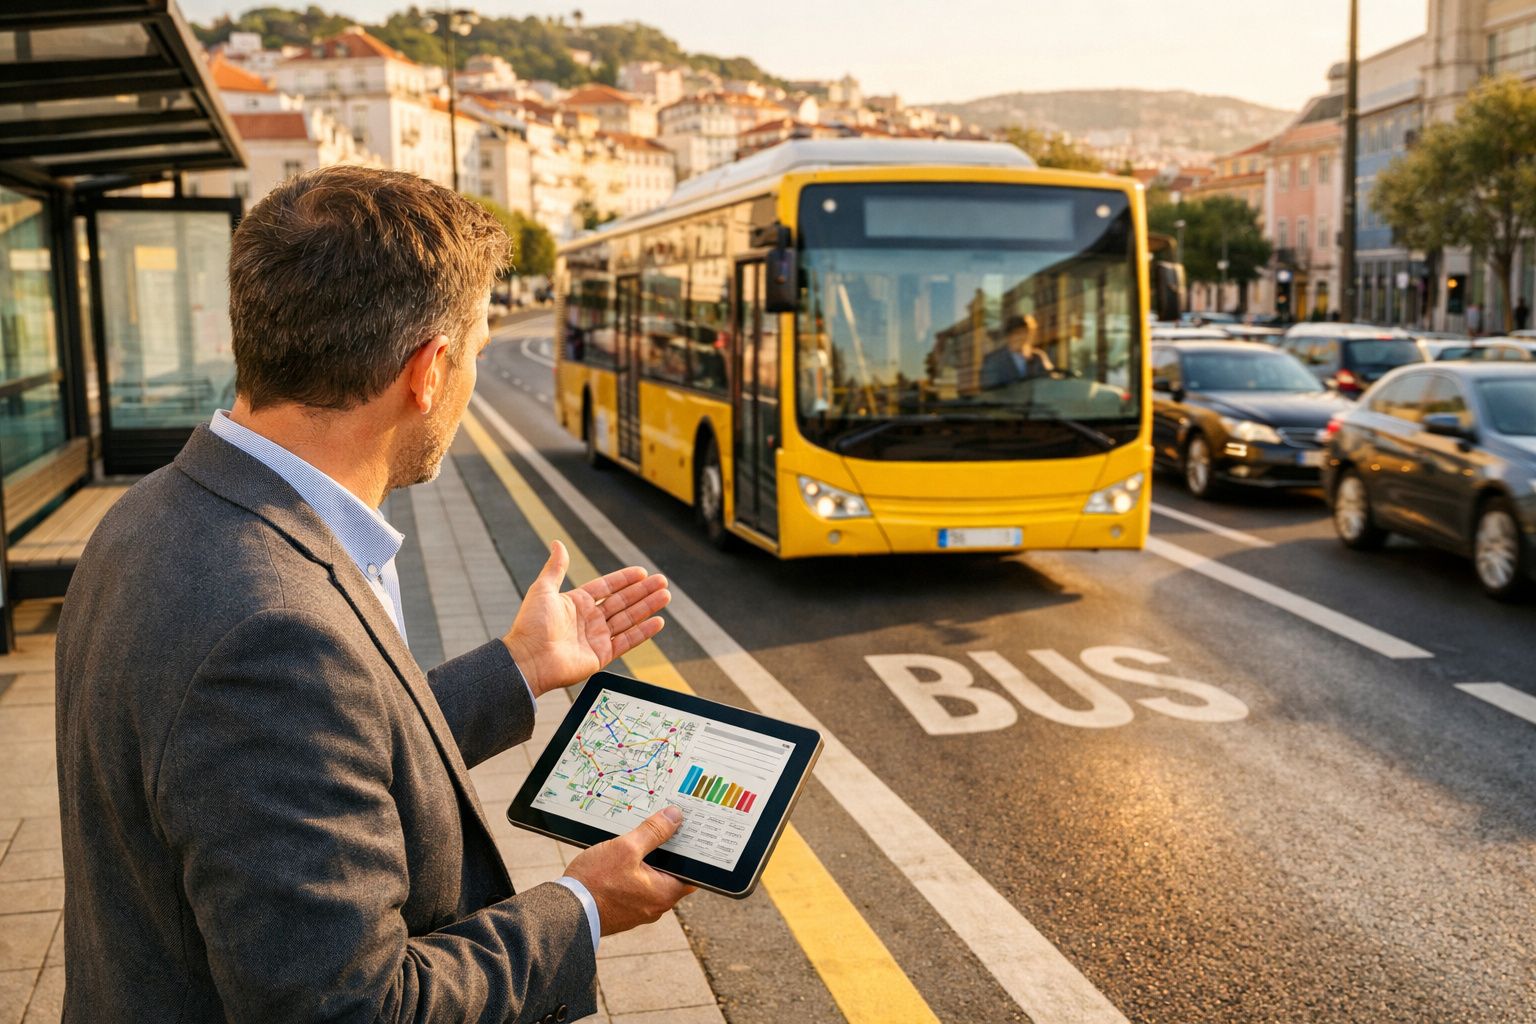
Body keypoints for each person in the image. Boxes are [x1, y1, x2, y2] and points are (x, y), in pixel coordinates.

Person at [54, 166, 693, 1023]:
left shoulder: (154, 511)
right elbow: (356, 1007)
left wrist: (519, 667)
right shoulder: (274, 630)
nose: (470, 380)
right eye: (476, 353)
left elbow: (327, 758)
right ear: (428, 371)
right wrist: (580, 907)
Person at [980, 313, 1054, 388]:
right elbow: (989, 389)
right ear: (1009, 336)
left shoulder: (1037, 357)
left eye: (1025, 333)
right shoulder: (993, 360)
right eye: (1017, 333)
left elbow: (1047, 384)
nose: (1022, 338)